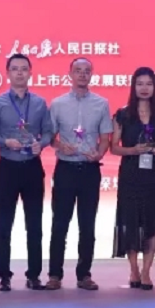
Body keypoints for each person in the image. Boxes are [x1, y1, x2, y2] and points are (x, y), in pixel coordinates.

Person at [0, 53, 54, 292]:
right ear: (8, 73)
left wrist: (40, 144)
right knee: (4, 223)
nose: (20, 73)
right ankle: (4, 275)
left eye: (24, 68)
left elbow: (48, 132)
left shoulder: (40, 103)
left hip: (32, 167)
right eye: (15, 69)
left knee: (34, 224)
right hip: (8, 166)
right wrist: (5, 141)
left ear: (30, 72)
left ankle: (34, 275)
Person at [45, 57, 113, 291]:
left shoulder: (102, 104)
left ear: (91, 75)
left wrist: (99, 153)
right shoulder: (57, 104)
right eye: (78, 70)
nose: (82, 74)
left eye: (87, 71)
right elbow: (49, 137)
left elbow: (105, 138)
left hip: (89, 170)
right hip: (65, 169)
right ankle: (55, 274)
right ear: (70, 75)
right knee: (59, 224)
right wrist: (58, 145)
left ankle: (84, 274)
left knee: (87, 224)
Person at [110, 67, 155, 291]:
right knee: (131, 222)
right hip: (130, 174)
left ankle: (146, 271)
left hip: (153, 176)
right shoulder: (123, 115)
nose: (144, 88)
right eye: (140, 84)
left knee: (152, 223)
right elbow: (114, 148)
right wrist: (133, 150)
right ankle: (134, 269)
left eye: (149, 84)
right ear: (133, 87)